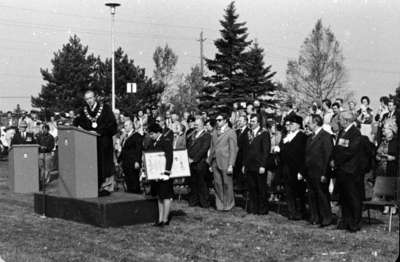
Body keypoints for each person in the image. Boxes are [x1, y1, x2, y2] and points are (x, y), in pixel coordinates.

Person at [73, 90, 118, 196]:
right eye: (87, 99)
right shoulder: (83, 111)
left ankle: (106, 187)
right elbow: (79, 123)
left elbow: (112, 125)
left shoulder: (105, 109)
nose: (89, 101)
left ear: (95, 97)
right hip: (91, 143)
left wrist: (98, 132)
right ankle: (94, 186)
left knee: (105, 165)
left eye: (91, 98)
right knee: (93, 164)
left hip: (104, 142)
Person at [332, 111, 364, 232]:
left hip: (351, 171)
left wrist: (337, 160)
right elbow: (337, 148)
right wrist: (333, 159)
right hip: (342, 170)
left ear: (346, 120)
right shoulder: (341, 132)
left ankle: (355, 223)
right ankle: (345, 221)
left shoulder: (355, 133)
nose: (339, 121)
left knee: (353, 197)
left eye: (340, 119)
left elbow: (351, 151)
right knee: (344, 197)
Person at [305, 114, 334, 227]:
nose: (308, 124)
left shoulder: (326, 136)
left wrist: (324, 173)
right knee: (312, 195)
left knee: (322, 195)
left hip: (320, 171)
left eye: (309, 122)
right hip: (310, 172)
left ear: (315, 122)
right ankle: (315, 217)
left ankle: (326, 218)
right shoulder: (310, 137)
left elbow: (327, 156)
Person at [207, 114, 238, 211]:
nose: (217, 122)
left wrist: (231, 165)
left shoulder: (231, 132)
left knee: (227, 184)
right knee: (217, 184)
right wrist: (210, 161)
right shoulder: (215, 132)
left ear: (225, 120)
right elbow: (212, 147)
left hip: (225, 161)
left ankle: (229, 204)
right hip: (215, 161)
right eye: (217, 120)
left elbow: (233, 149)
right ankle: (220, 204)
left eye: (220, 120)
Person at [280, 114, 307, 220]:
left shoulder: (302, 137)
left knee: (299, 192)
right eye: (289, 123)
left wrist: (302, 171)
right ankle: (292, 212)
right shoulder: (287, 136)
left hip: (297, 168)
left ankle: (300, 212)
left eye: (293, 124)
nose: (290, 125)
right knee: (289, 191)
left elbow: (304, 155)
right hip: (287, 167)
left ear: (298, 125)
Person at [242, 114, 270, 214]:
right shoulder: (248, 133)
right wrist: (244, 164)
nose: (251, 123)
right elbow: (245, 150)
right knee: (252, 188)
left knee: (261, 188)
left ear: (258, 122)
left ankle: (262, 209)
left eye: (253, 121)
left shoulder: (264, 133)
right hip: (250, 165)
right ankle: (253, 207)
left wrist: (263, 165)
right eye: (250, 121)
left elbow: (266, 151)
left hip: (259, 165)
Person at [147, 123, 174, 227]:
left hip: (164, 173)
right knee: (159, 196)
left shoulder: (165, 141)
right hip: (156, 173)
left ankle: (165, 219)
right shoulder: (153, 142)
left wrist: (167, 172)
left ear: (158, 132)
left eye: (152, 133)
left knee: (166, 195)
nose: (151, 135)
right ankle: (160, 219)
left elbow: (169, 157)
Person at [187, 117, 211, 207]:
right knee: (193, 183)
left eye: (198, 125)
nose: (196, 126)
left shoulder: (207, 135)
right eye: (195, 124)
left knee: (201, 183)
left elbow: (203, 149)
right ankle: (194, 200)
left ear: (202, 125)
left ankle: (204, 202)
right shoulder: (192, 134)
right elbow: (188, 146)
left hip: (200, 163)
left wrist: (194, 159)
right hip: (191, 162)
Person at [118, 119, 143, 193]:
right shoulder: (126, 136)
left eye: (126, 125)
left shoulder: (137, 136)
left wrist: (137, 161)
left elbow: (138, 150)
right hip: (126, 162)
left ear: (131, 126)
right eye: (124, 125)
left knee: (134, 181)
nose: (124, 127)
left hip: (133, 162)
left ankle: (136, 197)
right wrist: (119, 160)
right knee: (128, 181)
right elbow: (124, 149)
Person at [233, 115, 249, 191]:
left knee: (243, 179)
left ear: (245, 122)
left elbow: (247, 148)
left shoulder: (248, 131)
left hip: (243, 157)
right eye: (238, 120)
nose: (239, 122)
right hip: (236, 158)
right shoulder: (236, 132)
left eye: (241, 120)